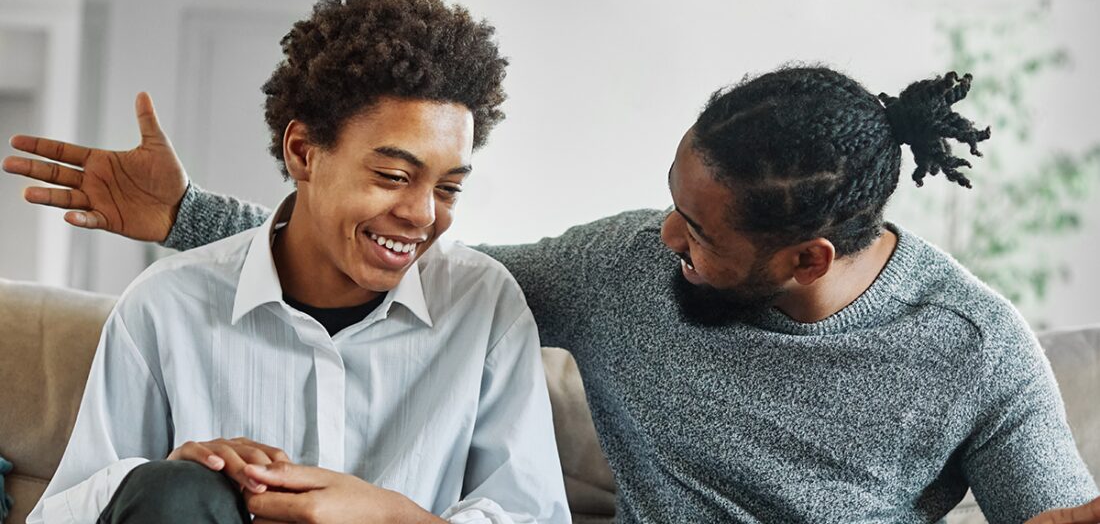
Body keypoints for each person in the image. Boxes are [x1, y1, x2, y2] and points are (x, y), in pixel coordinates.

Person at [6, 63, 1100, 522]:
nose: (661, 234)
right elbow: (407, 270)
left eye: (698, 232)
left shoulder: (971, 348)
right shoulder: (623, 265)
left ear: (805, 258)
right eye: (670, 197)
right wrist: (186, 219)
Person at [12, 0, 570, 524]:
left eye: (448, 188)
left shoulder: (485, 305)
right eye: (393, 175)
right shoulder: (166, 304)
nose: (424, 215)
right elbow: (65, 512)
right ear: (303, 152)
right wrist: (159, 487)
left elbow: (530, 514)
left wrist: (389, 517)